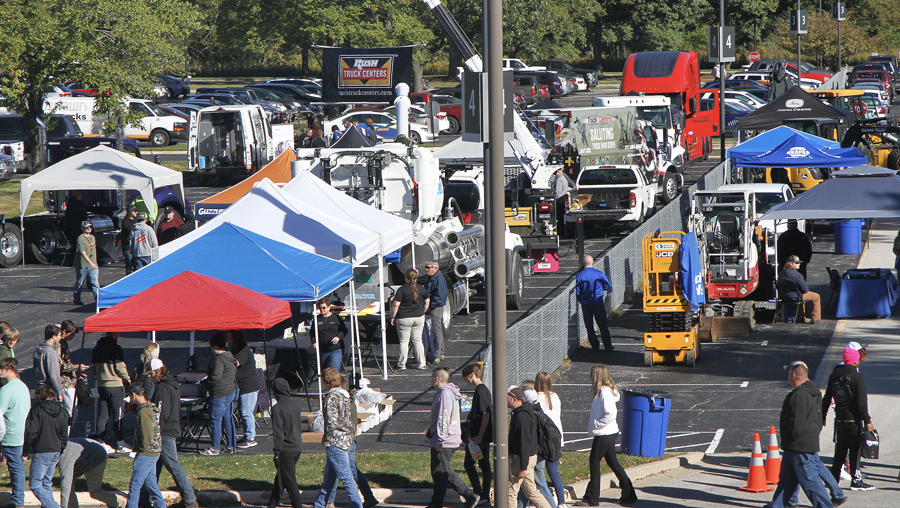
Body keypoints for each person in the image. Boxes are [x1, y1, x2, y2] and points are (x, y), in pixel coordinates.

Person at [764, 361, 834, 508]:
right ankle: (779, 504)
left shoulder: (799, 395)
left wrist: (791, 438)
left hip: (799, 444)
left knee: (809, 480)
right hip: (799, 443)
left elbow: (797, 422)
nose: (788, 376)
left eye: (789, 374)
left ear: (794, 375)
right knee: (786, 478)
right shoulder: (813, 392)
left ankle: (824, 505)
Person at [576, 365, 636, 506]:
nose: (590, 378)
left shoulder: (605, 392)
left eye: (592, 375)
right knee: (612, 462)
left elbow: (610, 414)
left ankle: (591, 498)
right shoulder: (605, 391)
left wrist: (596, 424)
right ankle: (629, 494)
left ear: (596, 376)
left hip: (604, 433)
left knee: (594, 463)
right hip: (608, 432)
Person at [140, 360, 197, 508]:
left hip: (163, 431)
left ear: (158, 372)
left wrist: (154, 430)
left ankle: (189, 498)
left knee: (172, 465)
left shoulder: (162, 388)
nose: (151, 377)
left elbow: (160, 412)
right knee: (154, 466)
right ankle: (143, 498)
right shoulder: (173, 384)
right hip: (170, 428)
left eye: (151, 374)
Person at [823, 347, 874, 491]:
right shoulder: (858, 378)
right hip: (853, 420)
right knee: (855, 450)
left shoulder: (834, 376)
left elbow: (827, 398)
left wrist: (822, 416)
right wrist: (867, 420)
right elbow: (861, 402)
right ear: (855, 360)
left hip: (839, 420)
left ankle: (833, 480)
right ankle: (856, 479)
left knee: (840, 451)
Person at [323, 377, 379, 508]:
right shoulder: (349, 400)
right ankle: (326, 501)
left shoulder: (343, 401)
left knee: (348, 471)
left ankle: (363, 498)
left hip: (342, 440)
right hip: (347, 439)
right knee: (336, 471)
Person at [427, 367, 479, 508]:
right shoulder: (448, 393)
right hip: (449, 438)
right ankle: (468, 496)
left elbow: (444, 418)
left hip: (445, 440)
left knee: (440, 473)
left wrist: (439, 440)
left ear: (437, 379)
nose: (431, 380)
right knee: (443, 470)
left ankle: (439, 502)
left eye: (432, 377)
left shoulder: (444, 394)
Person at [313, 368, 362, 508]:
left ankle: (357, 504)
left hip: (335, 441)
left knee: (346, 476)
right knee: (329, 477)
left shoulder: (331, 397)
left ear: (326, 382)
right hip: (346, 439)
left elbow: (331, 422)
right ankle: (319, 504)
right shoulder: (345, 395)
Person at [24, 384, 69, 508]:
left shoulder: (36, 410)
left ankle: (54, 506)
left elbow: (31, 432)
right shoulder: (62, 410)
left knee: (35, 483)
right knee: (46, 482)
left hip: (42, 450)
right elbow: (64, 433)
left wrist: (26, 451)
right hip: (56, 449)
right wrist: (62, 448)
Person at [507, 386, 551, 508]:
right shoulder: (521, 413)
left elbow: (525, 442)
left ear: (514, 399)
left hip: (522, 458)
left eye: (507, 397)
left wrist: (523, 467)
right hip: (528, 457)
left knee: (510, 492)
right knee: (531, 492)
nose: (505, 399)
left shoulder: (522, 417)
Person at [125, 381, 165, 508]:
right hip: (154, 452)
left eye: (130, 396)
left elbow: (146, 434)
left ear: (134, 394)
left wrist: (140, 449)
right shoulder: (150, 407)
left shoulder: (143, 411)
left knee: (135, 485)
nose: (130, 399)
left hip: (146, 453)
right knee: (151, 485)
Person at [0, 358, 33, 508]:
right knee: (17, 467)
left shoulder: (6, 390)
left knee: (15, 468)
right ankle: (18, 498)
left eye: (3, 368)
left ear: (11, 369)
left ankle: (18, 500)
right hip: (23, 432)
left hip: (10, 434)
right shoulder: (23, 386)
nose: (0, 370)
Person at [91, 332, 132, 453]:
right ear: (114, 333)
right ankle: (120, 443)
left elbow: (94, 368)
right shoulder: (116, 348)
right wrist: (127, 378)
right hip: (115, 384)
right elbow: (120, 367)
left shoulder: (97, 348)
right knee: (118, 414)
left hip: (101, 384)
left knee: (103, 414)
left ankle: (101, 441)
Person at [268, 378, 304, 508]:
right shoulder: (296, 405)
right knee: (280, 479)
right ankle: (271, 504)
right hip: (297, 446)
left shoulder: (277, 408)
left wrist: (277, 451)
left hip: (286, 449)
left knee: (290, 482)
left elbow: (278, 432)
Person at [518, 386, 556, 508]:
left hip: (534, 455)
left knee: (539, 486)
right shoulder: (539, 412)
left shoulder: (529, 415)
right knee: (526, 487)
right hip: (539, 455)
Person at [59, 438, 124, 508]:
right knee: (70, 484)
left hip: (97, 456)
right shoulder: (57, 448)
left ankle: (118, 501)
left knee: (95, 492)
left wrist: (63, 506)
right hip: (81, 458)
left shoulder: (65, 457)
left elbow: (66, 483)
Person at [202, 332, 238, 456]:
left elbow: (215, 377)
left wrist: (205, 382)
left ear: (215, 347)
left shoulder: (219, 359)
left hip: (220, 393)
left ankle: (215, 448)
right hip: (230, 391)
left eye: (211, 347)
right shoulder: (230, 356)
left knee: (216, 420)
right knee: (228, 419)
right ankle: (231, 445)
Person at [461, 364, 492, 506]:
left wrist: (479, 435)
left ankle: (480, 493)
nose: (466, 380)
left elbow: (485, 413)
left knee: (470, 463)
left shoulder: (480, 390)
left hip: (479, 437)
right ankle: (483, 493)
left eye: (466, 377)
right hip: (480, 436)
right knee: (483, 464)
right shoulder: (481, 390)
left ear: (472, 374)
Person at [535, 372, 566, 508]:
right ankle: (562, 501)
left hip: (543, 439)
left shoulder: (536, 397)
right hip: (556, 437)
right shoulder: (555, 396)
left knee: (538, 471)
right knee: (553, 471)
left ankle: (539, 499)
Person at [227, 330, 260, 448]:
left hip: (248, 386)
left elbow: (235, 363)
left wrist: (222, 358)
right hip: (243, 385)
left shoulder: (243, 351)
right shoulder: (236, 350)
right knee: (243, 411)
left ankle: (250, 438)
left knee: (247, 412)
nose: (227, 339)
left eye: (229, 337)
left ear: (236, 338)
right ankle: (248, 436)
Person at [391, 269, 429, 370]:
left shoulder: (401, 289)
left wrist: (393, 317)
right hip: (419, 317)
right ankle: (422, 363)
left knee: (404, 341)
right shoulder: (421, 288)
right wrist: (423, 311)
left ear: (406, 277)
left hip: (404, 318)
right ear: (416, 277)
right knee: (417, 340)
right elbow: (427, 301)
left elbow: (395, 305)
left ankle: (402, 363)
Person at [575, 255, 614, 352]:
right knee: (602, 324)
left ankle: (595, 346)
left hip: (585, 303)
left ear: (584, 263)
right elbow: (607, 285)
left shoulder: (579, 276)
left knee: (589, 325)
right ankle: (607, 345)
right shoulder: (599, 274)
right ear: (592, 262)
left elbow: (578, 291)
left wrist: (581, 299)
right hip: (597, 301)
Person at [777, 255, 821, 324]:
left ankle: (800, 317)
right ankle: (816, 318)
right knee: (816, 296)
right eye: (797, 263)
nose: (799, 264)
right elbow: (805, 289)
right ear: (791, 263)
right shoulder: (797, 275)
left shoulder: (781, 273)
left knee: (800, 296)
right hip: (795, 297)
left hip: (783, 296)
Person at [59, 320, 88, 422]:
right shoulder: (58, 345)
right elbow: (61, 365)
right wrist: (76, 367)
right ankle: (64, 434)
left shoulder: (64, 343)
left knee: (72, 411)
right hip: (64, 383)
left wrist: (76, 372)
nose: (73, 336)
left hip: (69, 380)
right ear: (65, 331)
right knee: (71, 411)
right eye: (72, 334)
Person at [310, 298, 348, 373]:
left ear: (328, 307)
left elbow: (344, 330)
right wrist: (314, 343)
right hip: (323, 350)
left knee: (333, 371)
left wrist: (338, 337)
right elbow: (312, 333)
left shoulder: (336, 318)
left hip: (335, 349)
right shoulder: (317, 319)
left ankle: (334, 384)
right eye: (320, 308)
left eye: (324, 307)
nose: (322, 310)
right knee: (324, 372)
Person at [424, 260, 447, 362]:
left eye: (428, 267)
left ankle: (437, 354)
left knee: (436, 330)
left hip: (435, 308)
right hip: (431, 307)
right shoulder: (430, 278)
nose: (426, 269)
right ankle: (440, 352)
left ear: (435, 268)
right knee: (435, 330)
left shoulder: (439, 279)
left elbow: (440, 297)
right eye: (426, 267)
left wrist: (430, 306)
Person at [33, 324, 64, 400]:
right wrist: (59, 392)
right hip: (49, 391)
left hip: (39, 388)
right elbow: (54, 374)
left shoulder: (37, 350)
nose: (61, 337)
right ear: (53, 336)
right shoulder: (51, 353)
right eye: (59, 335)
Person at [73, 220, 99, 306]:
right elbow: (83, 252)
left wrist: (94, 263)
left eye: (90, 227)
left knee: (95, 283)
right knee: (80, 283)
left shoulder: (92, 237)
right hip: (83, 265)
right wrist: (91, 263)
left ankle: (98, 299)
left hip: (93, 265)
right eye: (86, 227)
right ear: (82, 228)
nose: (89, 229)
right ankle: (76, 299)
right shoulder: (80, 238)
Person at [553, 169, 577, 235]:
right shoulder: (564, 178)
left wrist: (555, 197)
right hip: (564, 199)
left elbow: (557, 192)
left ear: (558, 172)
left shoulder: (558, 179)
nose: (555, 174)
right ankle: (566, 232)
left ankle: (560, 233)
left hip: (560, 199)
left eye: (555, 172)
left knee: (559, 218)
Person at [120, 206, 139, 275]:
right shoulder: (126, 223)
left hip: (135, 246)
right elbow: (125, 237)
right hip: (128, 247)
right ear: (131, 212)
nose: (137, 212)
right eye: (135, 211)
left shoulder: (135, 221)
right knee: (129, 265)